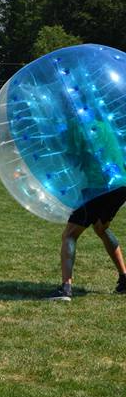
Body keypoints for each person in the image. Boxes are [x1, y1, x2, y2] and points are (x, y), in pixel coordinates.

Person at [48, 112, 126, 301]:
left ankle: (66, 288)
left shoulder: (76, 124)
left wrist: (57, 142)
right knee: (101, 227)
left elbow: (73, 159)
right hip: (120, 184)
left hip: (96, 187)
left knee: (69, 234)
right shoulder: (104, 123)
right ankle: (125, 278)